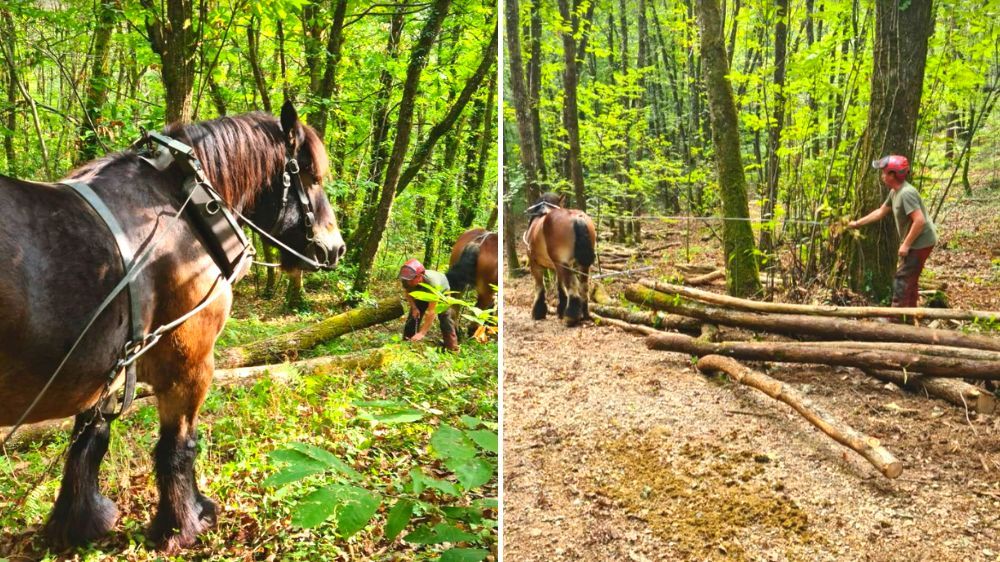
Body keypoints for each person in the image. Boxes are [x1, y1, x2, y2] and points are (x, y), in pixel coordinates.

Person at [848, 155, 938, 310]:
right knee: (911, 279)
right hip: (918, 241)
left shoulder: (906, 193)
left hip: (921, 241)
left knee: (902, 279)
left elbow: (920, 221)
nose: (882, 176)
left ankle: (895, 319)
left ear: (893, 175)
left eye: (884, 173)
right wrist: (857, 223)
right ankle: (909, 316)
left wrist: (906, 244)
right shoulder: (895, 192)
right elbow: (880, 212)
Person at [399, 258, 459, 352]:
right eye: (407, 280)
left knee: (445, 317)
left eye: (411, 280)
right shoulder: (408, 280)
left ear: (420, 276)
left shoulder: (432, 283)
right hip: (422, 292)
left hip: (442, 293)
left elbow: (432, 311)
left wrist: (422, 333)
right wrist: (414, 308)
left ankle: (452, 348)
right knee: (413, 316)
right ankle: (407, 342)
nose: (408, 282)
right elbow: (408, 293)